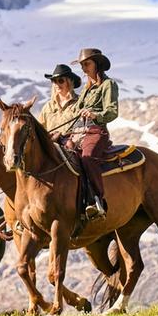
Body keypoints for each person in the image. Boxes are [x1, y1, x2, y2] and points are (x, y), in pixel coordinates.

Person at [40, 51, 119, 219]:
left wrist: (94, 114)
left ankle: (97, 200)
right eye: (82, 65)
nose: (83, 68)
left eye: (86, 64)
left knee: (87, 158)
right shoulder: (86, 88)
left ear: (96, 64)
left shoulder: (108, 84)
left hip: (95, 131)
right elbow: (76, 111)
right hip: (75, 135)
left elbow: (112, 112)